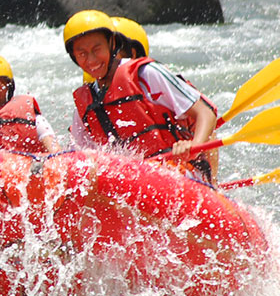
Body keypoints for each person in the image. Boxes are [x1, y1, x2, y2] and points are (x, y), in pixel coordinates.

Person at [63, 10, 219, 182]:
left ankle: (213, 183)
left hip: (178, 171)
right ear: (74, 57)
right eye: (82, 54)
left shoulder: (146, 74)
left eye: (96, 49)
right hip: (132, 182)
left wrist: (194, 146)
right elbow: (78, 157)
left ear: (112, 43)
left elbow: (206, 111)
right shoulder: (85, 105)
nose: (91, 60)